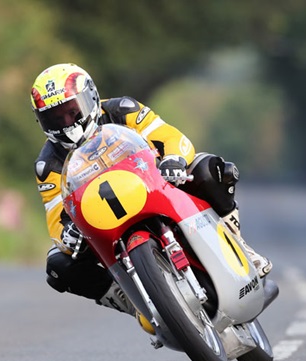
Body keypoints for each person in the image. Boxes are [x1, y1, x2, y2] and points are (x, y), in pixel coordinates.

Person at [31, 62, 272, 320]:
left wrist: (174, 158)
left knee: (207, 168)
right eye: (55, 118)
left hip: (154, 185)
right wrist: (66, 234)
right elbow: (55, 216)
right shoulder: (48, 165)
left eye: (71, 111)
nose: (66, 123)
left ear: (89, 98)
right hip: (103, 221)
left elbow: (169, 136)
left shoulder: (122, 109)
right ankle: (124, 298)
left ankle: (239, 244)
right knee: (58, 265)